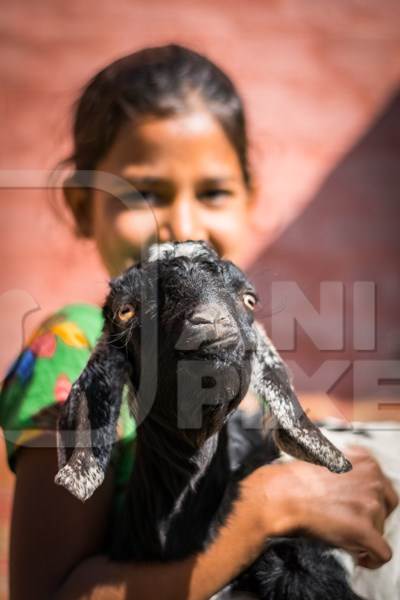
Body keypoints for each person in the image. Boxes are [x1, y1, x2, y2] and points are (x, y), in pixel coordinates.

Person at [0, 44, 397, 600]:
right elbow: (47, 592)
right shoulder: (74, 345)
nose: (182, 224)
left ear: (250, 197)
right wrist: (267, 511)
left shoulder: (231, 340)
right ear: (81, 205)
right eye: (144, 193)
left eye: (212, 192)